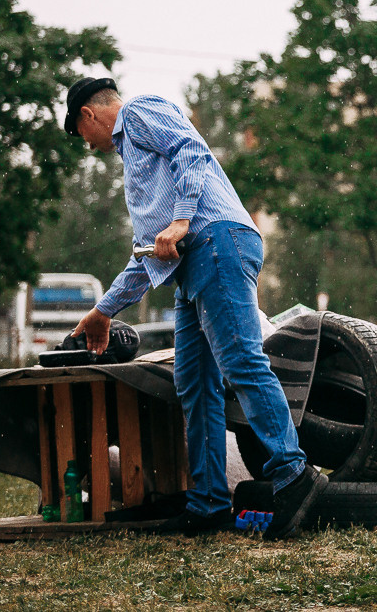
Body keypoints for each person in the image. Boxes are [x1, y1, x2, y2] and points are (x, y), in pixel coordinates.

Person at [64, 77, 326, 540]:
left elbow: (192, 150)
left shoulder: (141, 110)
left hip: (215, 242)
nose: (88, 145)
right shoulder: (137, 169)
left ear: (88, 114)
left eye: (81, 134)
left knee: (242, 361)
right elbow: (148, 254)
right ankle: (208, 504)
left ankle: (294, 476)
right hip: (190, 265)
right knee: (194, 382)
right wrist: (103, 311)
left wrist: (183, 217)